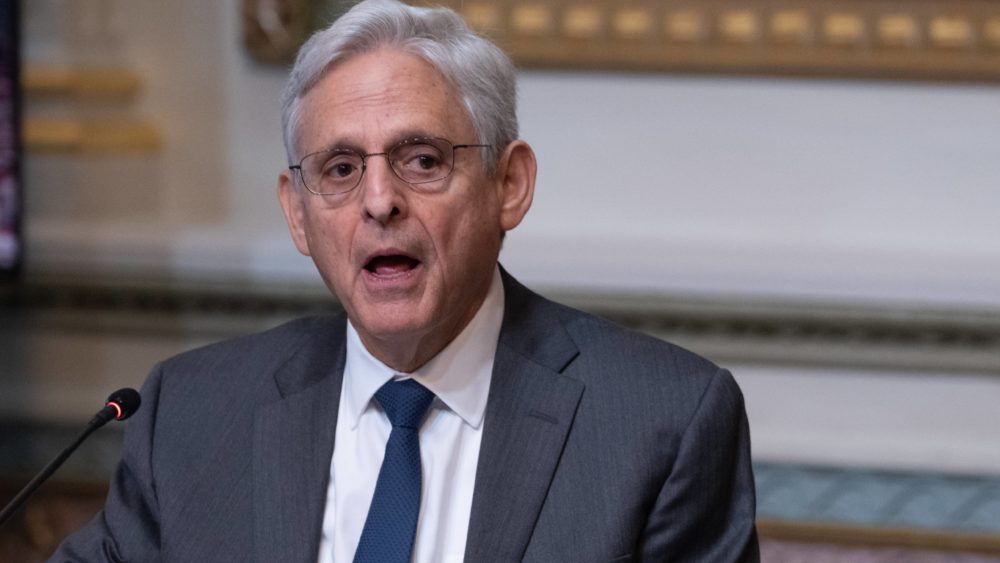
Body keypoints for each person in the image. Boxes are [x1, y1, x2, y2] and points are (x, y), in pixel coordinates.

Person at [51, 0, 758, 561]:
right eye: (340, 168)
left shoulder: (660, 425)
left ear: (508, 184)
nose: (379, 200)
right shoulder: (193, 413)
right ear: (298, 215)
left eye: (421, 159)